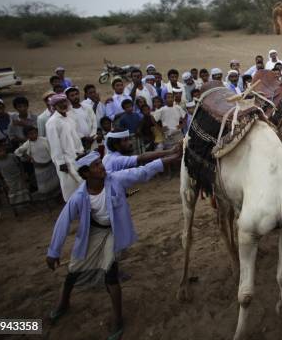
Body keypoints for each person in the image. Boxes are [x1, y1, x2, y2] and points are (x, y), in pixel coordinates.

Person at [45, 149, 181, 339]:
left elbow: (142, 171)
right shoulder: (78, 197)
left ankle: (117, 318)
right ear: (85, 174)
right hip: (93, 233)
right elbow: (63, 221)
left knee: (111, 274)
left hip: (112, 232)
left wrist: (171, 159)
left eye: (100, 163)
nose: (101, 167)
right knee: (74, 270)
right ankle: (63, 302)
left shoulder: (115, 180)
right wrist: (53, 251)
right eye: (96, 166)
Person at [46, 93, 84, 201]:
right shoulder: (52, 122)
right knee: (71, 188)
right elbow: (54, 144)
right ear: (54, 106)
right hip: (65, 161)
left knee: (81, 184)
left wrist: (80, 151)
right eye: (59, 103)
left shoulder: (69, 117)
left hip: (76, 156)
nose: (63, 105)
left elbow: (75, 137)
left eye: (64, 102)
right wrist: (61, 163)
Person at [14, 126, 60, 197]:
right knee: (44, 184)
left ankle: (57, 195)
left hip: (49, 163)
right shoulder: (27, 144)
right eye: (30, 134)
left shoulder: (44, 140)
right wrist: (28, 157)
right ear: (26, 136)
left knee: (54, 181)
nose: (33, 135)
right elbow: (17, 152)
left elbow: (52, 149)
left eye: (35, 133)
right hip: (39, 166)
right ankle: (49, 197)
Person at [0, 141, 31, 209]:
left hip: (18, 176)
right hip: (9, 180)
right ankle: (16, 206)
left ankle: (27, 203)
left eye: (3, 150)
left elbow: (19, 165)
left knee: (23, 190)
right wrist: (2, 183)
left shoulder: (12, 156)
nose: (2, 152)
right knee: (13, 193)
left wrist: (23, 174)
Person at [66, 87, 97, 152]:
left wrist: (92, 135)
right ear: (68, 98)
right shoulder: (67, 113)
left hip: (93, 139)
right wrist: (84, 138)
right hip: (79, 141)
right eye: (72, 95)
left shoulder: (87, 107)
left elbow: (94, 121)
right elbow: (72, 128)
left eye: (76, 94)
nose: (75, 97)